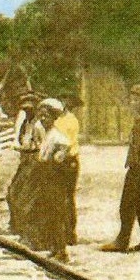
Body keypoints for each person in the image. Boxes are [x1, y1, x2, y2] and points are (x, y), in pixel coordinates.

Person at [101, 84, 140, 253]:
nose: (133, 102)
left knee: (128, 204)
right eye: (132, 98)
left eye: (136, 99)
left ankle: (122, 242)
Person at [28, 98, 76, 262]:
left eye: (46, 116)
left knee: (56, 212)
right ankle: (54, 247)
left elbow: (65, 149)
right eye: (40, 116)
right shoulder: (47, 134)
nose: (42, 119)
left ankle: (61, 249)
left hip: (53, 176)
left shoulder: (57, 136)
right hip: (45, 175)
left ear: (54, 118)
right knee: (48, 212)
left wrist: (59, 156)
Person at [7, 92, 44, 238]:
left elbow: (42, 145)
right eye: (25, 110)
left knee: (26, 195)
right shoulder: (25, 123)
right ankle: (17, 225)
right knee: (13, 192)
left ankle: (26, 229)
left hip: (35, 160)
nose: (27, 112)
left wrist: (27, 148)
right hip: (25, 160)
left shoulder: (39, 125)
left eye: (30, 109)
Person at [54, 99, 82, 245]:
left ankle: (70, 233)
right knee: (59, 197)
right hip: (58, 160)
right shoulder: (57, 119)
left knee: (67, 197)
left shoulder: (71, 120)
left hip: (69, 159)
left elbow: (69, 142)